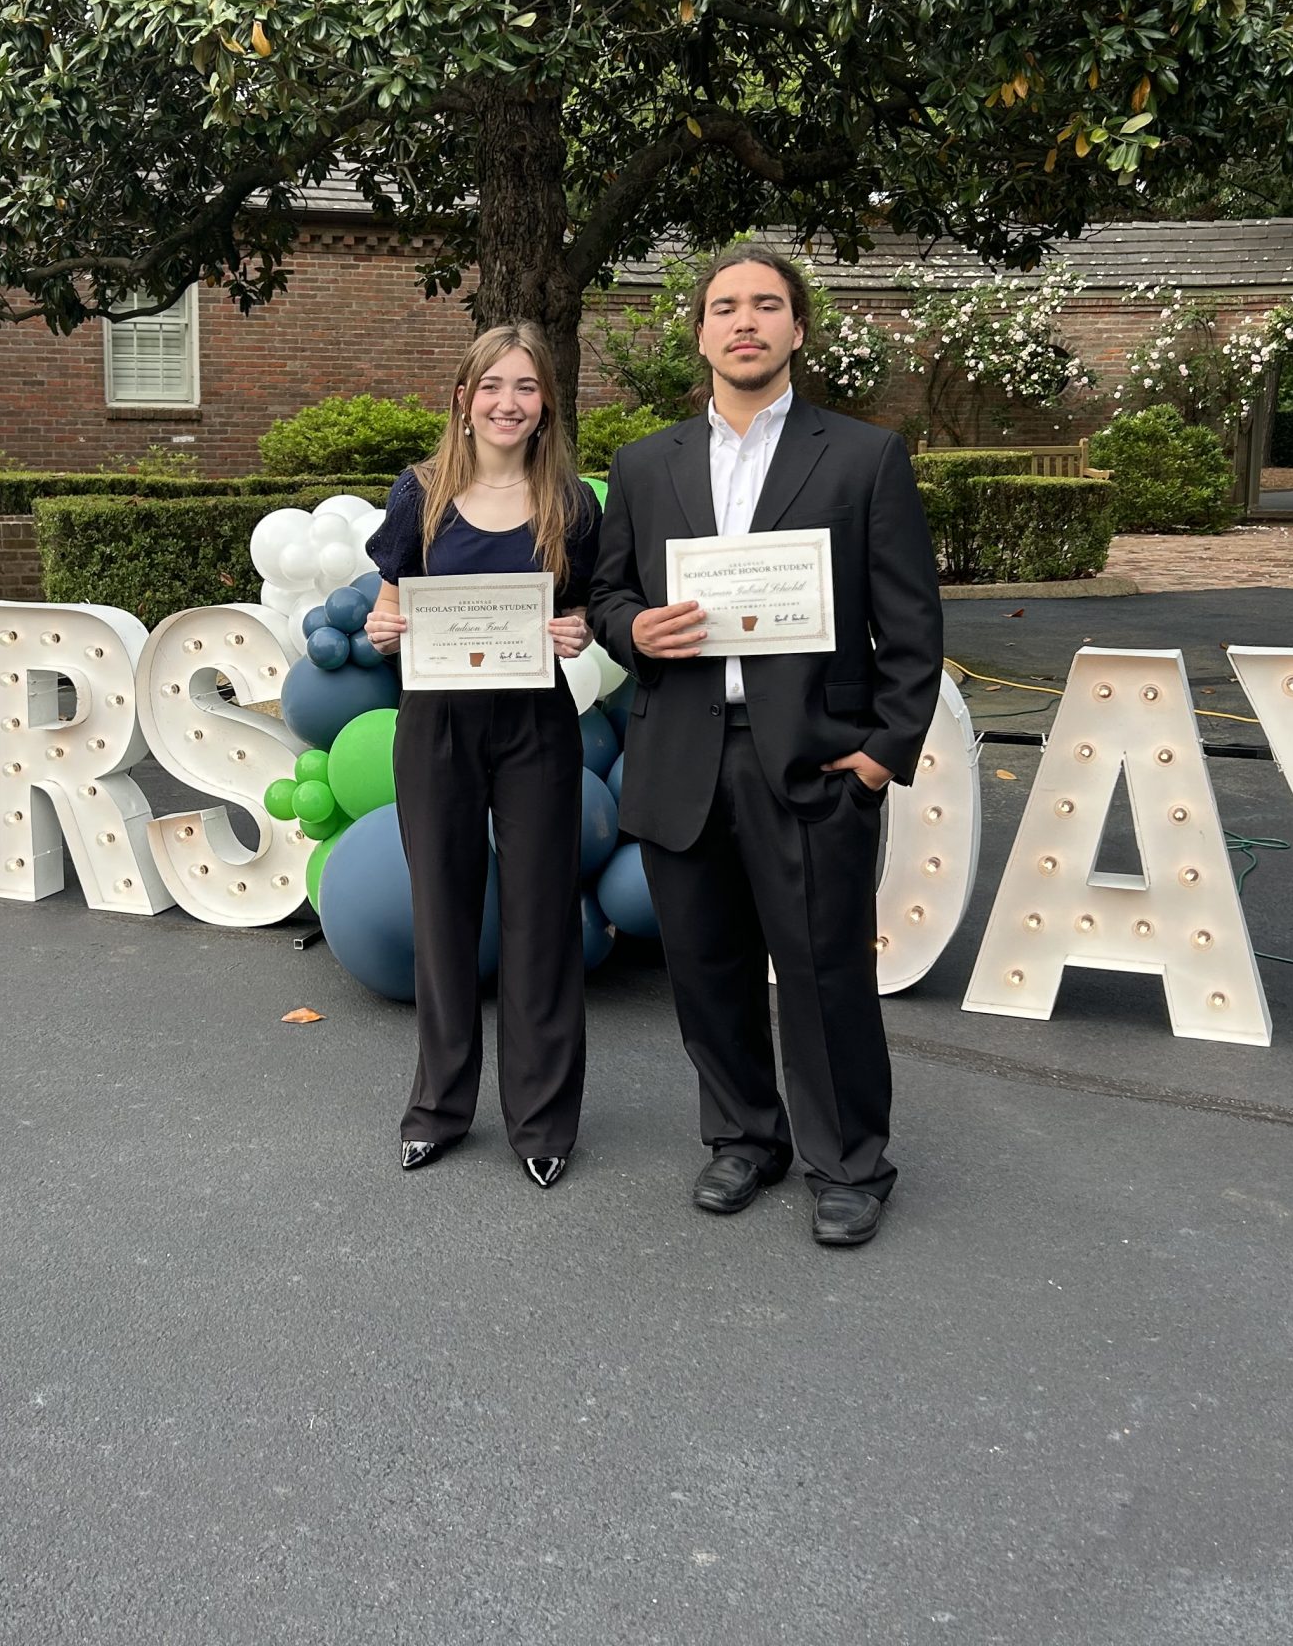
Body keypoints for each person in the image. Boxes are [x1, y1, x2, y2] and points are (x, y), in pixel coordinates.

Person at [588, 244, 943, 1248]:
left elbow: (910, 626)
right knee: (704, 965)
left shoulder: (863, 457)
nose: (744, 322)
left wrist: (881, 754)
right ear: (699, 332)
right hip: (678, 752)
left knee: (825, 970)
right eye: (724, 307)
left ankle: (849, 1163)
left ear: (795, 329)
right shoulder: (645, 464)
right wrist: (630, 630)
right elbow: (610, 590)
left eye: (766, 306)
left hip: (812, 760)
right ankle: (744, 1136)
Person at [363, 323, 603, 1188]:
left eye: (527, 388)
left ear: (546, 407)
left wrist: (577, 630)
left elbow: (581, 614)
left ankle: (541, 1123)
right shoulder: (418, 496)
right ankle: (438, 1109)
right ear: (463, 401)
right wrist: (382, 628)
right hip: (436, 728)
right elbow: (387, 613)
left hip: (536, 727)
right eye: (492, 386)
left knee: (542, 922)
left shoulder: (573, 506)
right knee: (445, 916)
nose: (509, 402)